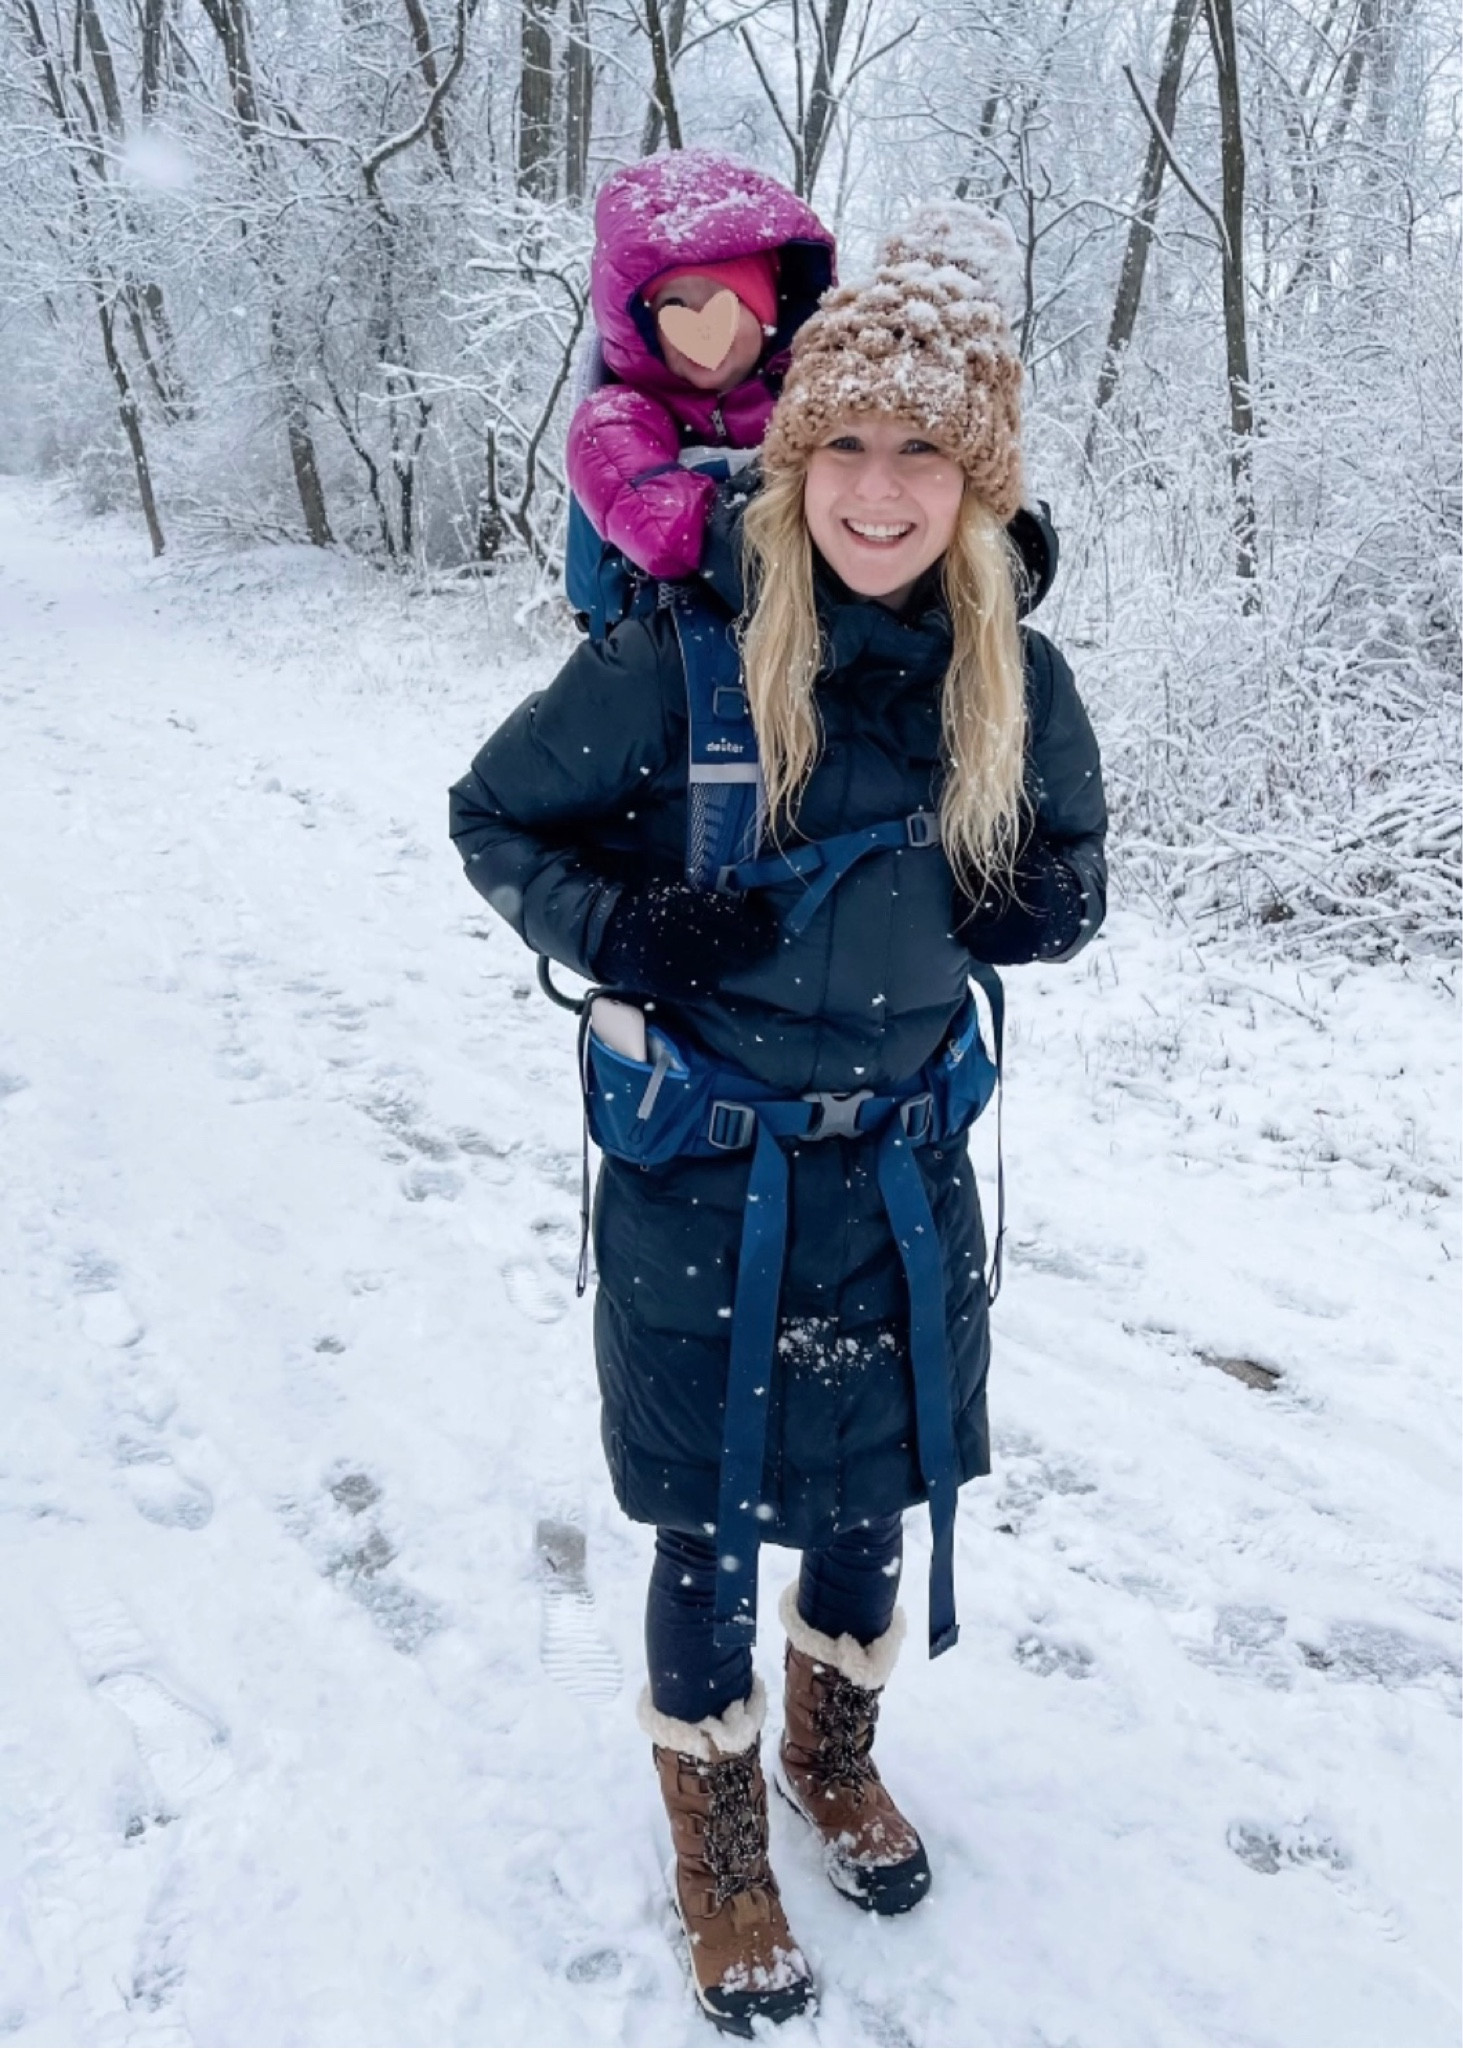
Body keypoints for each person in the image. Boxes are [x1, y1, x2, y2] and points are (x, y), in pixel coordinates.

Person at [450, 203, 1107, 2036]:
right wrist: (621, 923)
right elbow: (494, 819)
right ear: (792, 456)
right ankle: (717, 1843)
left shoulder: (1012, 676)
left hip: (902, 1173)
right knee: (706, 1516)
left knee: (872, 1491)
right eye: (845, 445)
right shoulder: (675, 658)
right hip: (702, 1183)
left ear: (972, 487)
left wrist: (1040, 905)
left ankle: (835, 1753)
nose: (878, 491)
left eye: (921, 453)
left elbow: (1072, 856)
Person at [566, 148, 835, 595]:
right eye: (673, 307)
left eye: (723, 303)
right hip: (673, 626)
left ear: (768, 309)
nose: (701, 329)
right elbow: (664, 533)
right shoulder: (620, 415)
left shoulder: (820, 391)